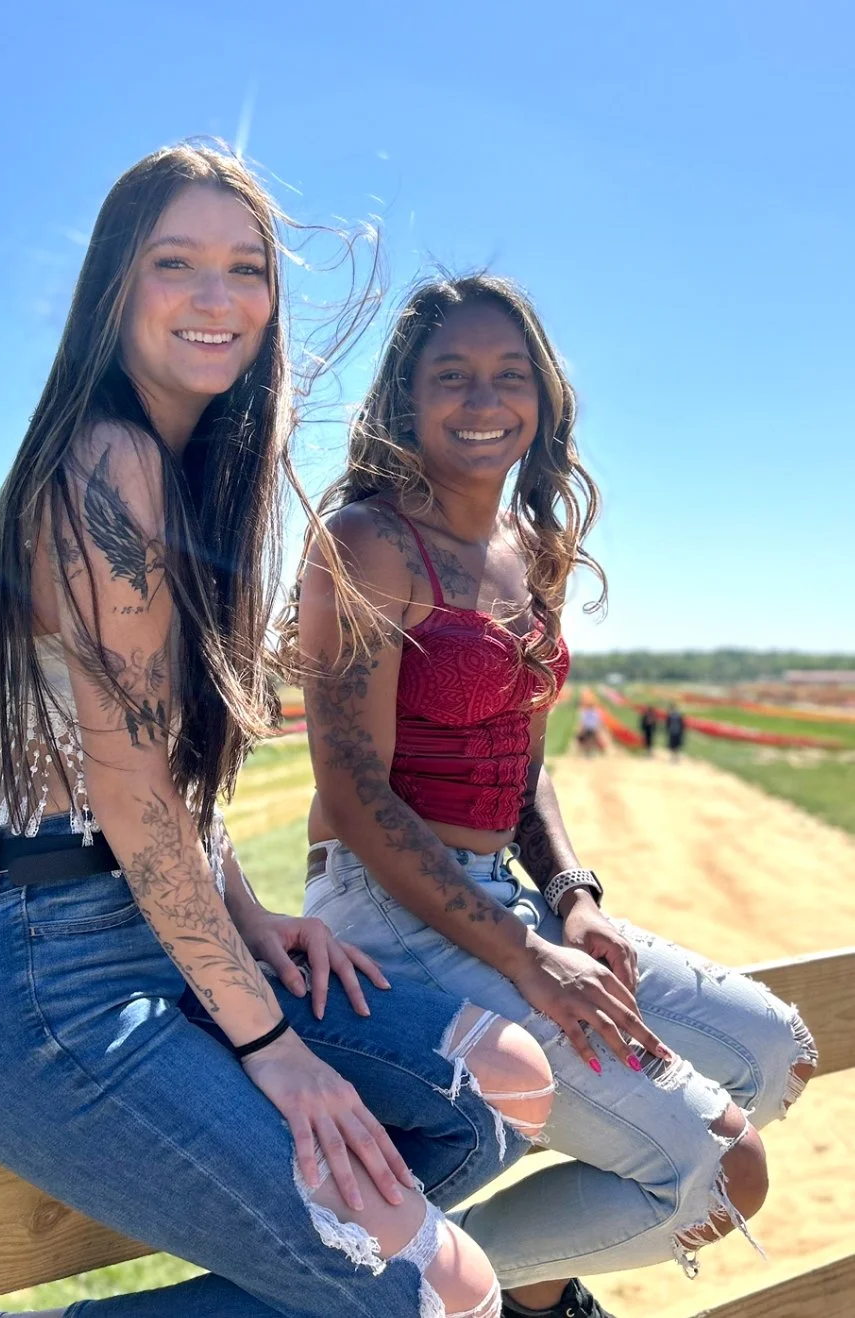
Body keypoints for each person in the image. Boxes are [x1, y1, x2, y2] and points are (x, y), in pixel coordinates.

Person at [0, 152, 560, 1318]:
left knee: (502, 1086)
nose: (216, 298)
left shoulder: (196, 479)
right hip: (44, 973)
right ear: (114, 287)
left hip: (152, 930)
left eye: (246, 269)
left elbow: (166, 779)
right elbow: (125, 804)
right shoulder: (106, 459)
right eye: (174, 264)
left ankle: (319, 1267)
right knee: (439, 1294)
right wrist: (273, 1047)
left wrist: (248, 914)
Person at [290, 273, 817, 1318]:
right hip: (386, 907)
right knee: (724, 1169)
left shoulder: (531, 551)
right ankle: (431, 1289)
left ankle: (477, 1283)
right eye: (452, 376)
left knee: (773, 1052)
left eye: (508, 375)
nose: (483, 400)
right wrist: (531, 956)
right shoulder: (367, 541)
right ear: (405, 397)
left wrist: (571, 896)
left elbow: (522, 759)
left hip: (508, 899)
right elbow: (352, 794)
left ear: (544, 397)